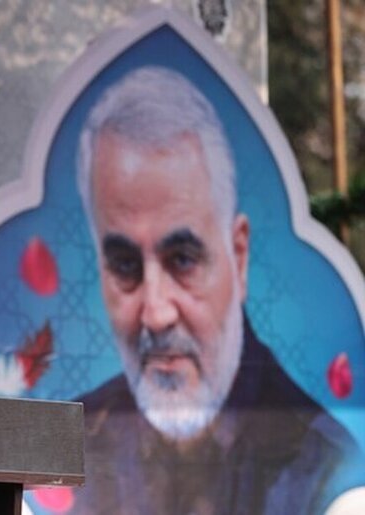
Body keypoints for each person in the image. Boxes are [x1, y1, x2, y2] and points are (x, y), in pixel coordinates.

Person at [71, 66, 362, 514]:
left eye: (183, 260)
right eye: (125, 265)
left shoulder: (321, 471)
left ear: (238, 256)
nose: (156, 313)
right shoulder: (71, 446)